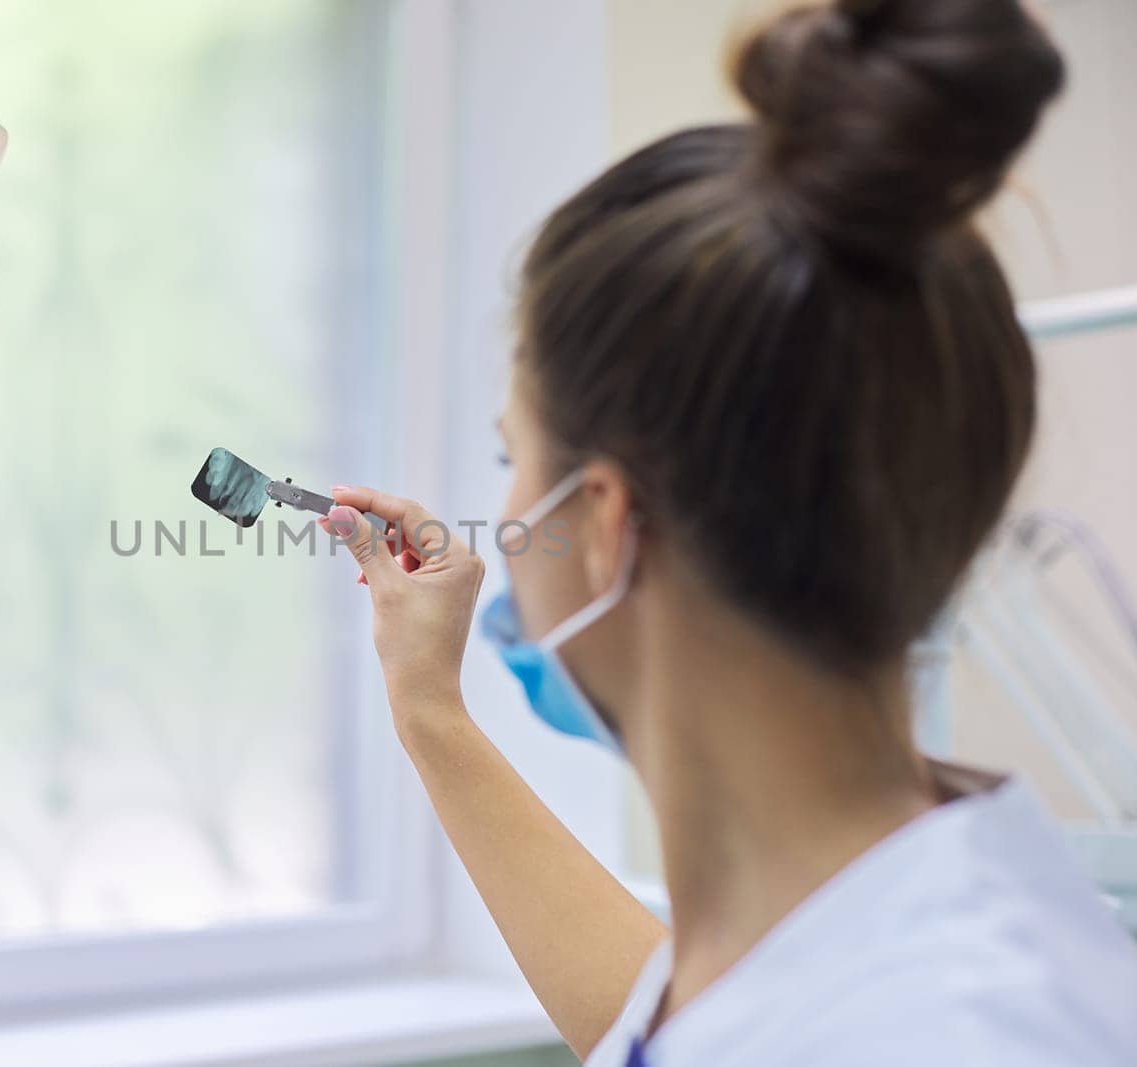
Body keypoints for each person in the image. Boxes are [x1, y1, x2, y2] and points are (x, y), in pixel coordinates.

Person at [315, 0, 1137, 1063]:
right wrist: (430, 709)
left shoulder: (962, 1028)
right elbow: (690, 1021)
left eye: (508, 453)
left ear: (604, 522)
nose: (506, 510)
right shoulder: (876, 913)